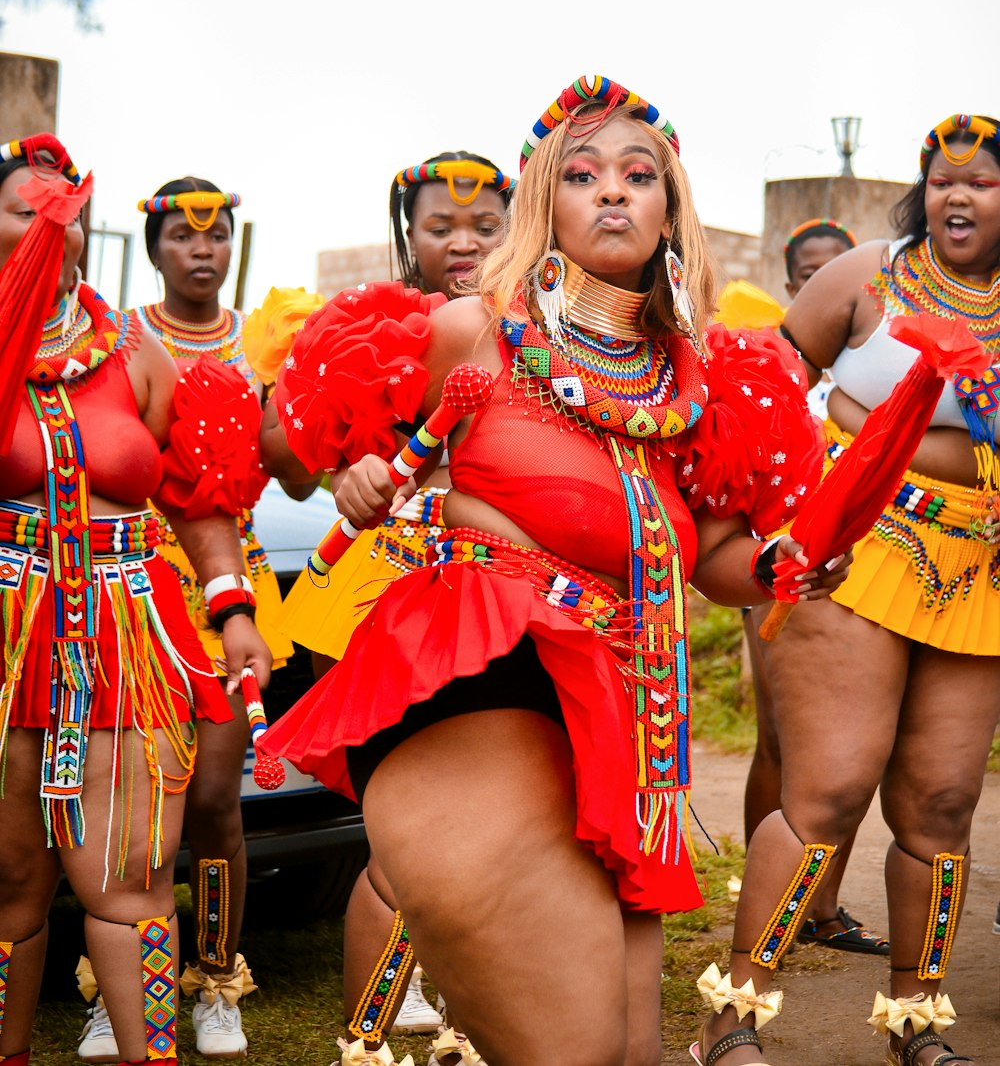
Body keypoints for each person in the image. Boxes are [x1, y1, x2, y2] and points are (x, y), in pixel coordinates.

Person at [259, 77, 846, 1066]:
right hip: (483, 661)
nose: (611, 192)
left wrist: (789, 566)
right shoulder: (472, 331)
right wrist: (354, 471)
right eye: (581, 175)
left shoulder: (698, 384)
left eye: (636, 175)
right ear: (546, 203)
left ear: (669, 207)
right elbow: (294, 438)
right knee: (567, 1042)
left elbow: (711, 559)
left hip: (621, 706)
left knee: (625, 1046)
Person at [709, 114, 1000, 1066]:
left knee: (944, 802)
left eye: (985, 181)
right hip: (857, 547)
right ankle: (733, 1018)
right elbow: (764, 387)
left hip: (981, 569)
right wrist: (779, 508)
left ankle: (915, 1022)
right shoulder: (869, 274)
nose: (960, 195)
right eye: (944, 177)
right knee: (828, 791)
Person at [0, 135, 270, 1066]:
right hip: (6, 635)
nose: (47, 225)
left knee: (130, 878)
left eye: (62, 209)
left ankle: (150, 1054)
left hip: (124, 633)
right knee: (9, 884)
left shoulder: (135, 350)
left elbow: (197, 506)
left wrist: (233, 611)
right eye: (22, 209)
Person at [261, 152, 513, 1064]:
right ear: (407, 230)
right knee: (404, 824)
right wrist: (345, 470)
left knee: (484, 817)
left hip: (504, 594)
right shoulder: (368, 323)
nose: (462, 243)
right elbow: (284, 451)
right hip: (386, 592)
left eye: (483, 226)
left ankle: (462, 992)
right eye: (440, 226)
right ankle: (369, 1038)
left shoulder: (540, 323)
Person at [740, 218, 889, 959]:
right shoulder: (778, 375)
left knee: (844, 755)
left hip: (862, 570)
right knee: (779, 738)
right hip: (776, 563)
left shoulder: (876, 367)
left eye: (842, 263)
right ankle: (766, 901)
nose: (829, 276)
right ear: (796, 284)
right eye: (812, 269)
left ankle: (821, 906)